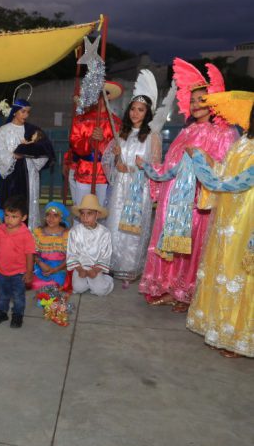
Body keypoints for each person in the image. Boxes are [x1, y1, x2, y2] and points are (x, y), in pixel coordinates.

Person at [136, 59, 239, 312]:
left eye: (201, 100)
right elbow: (170, 164)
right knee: (171, 245)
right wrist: (149, 167)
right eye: (192, 100)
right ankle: (170, 288)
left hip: (198, 199)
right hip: (174, 199)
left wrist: (202, 157)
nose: (195, 105)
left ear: (214, 102)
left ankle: (188, 293)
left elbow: (226, 169)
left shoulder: (223, 133)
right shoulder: (187, 131)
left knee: (193, 245)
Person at [185, 92, 254, 357]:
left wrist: (199, 162)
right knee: (223, 265)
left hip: (246, 216)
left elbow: (233, 183)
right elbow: (224, 171)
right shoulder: (243, 141)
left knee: (240, 270)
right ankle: (219, 328)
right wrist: (206, 157)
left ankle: (238, 336)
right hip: (227, 214)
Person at [102, 70, 162, 285]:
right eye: (133, 109)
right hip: (120, 188)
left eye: (141, 110)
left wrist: (135, 168)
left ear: (148, 113)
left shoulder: (152, 137)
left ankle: (129, 269)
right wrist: (116, 158)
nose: (136, 113)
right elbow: (110, 163)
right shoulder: (122, 134)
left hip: (138, 189)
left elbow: (155, 168)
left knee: (133, 231)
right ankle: (112, 264)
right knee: (115, 223)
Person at [0, 91, 54, 230]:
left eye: (28, 112)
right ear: (15, 112)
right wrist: (14, 156)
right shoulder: (4, 130)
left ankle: (27, 231)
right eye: (23, 112)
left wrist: (31, 152)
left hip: (28, 173)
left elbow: (43, 149)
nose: (26, 115)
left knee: (27, 202)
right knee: (11, 203)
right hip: (11, 174)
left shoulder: (32, 130)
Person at [69, 81, 123, 207]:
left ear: (108, 97)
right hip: (85, 171)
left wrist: (103, 141)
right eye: (96, 95)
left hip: (105, 173)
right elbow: (75, 143)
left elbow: (119, 148)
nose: (99, 99)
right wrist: (90, 141)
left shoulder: (116, 122)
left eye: (103, 95)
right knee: (82, 208)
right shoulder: (81, 120)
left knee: (103, 209)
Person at [0, 195, 36, 328]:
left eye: (14, 217)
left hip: (19, 273)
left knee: (18, 296)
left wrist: (29, 272)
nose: (9, 219)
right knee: (2, 295)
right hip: (1, 271)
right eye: (7, 215)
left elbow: (29, 254)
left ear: (23, 217)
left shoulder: (26, 235)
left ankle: (17, 315)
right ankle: (1, 312)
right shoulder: (0, 230)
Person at [66, 194, 114, 296]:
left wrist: (95, 270)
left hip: (95, 267)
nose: (85, 217)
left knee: (100, 291)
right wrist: (79, 269)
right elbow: (71, 254)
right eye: (82, 214)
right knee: (78, 288)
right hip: (80, 266)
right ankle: (89, 283)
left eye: (89, 214)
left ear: (97, 215)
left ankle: (107, 278)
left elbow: (105, 256)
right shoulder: (74, 232)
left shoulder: (104, 233)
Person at [32, 202, 71, 291]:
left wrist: (55, 269)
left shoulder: (66, 234)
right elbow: (33, 252)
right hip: (42, 265)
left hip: (60, 267)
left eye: (55, 215)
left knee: (56, 283)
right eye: (48, 215)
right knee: (34, 284)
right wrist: (40, 263)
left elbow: (70, 257)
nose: (51, 218)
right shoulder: (39, 232)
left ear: (61, 218)